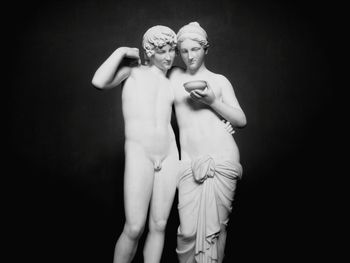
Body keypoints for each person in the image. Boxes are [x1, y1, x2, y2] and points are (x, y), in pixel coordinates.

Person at [91, 25, 179, 263]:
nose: (169, 56)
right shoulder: (133, 72)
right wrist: (121, 51)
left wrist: (224, 125)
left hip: (170, 153)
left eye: (172, 49)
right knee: (134, 227)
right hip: (140, 152)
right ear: (149, 51)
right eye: (162, 50)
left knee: (160, 224)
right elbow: (98, 81)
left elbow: (195, 116)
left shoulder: (173, 81)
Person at [169, 22, 247, 263]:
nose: (190, 56)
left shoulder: (219, 80)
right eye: (184, 51)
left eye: (196, 49)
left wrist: (213, 102)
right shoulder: (173, 75)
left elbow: (241, 120)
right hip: (189, 164)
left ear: (206, 49)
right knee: (188, 233)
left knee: (216, 231)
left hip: (221, 160)